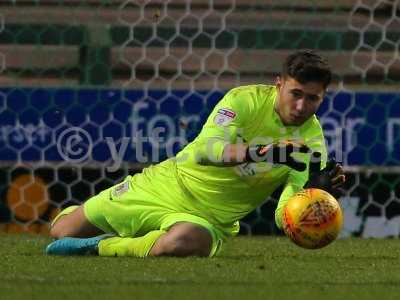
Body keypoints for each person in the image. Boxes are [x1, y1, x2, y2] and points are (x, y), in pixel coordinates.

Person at [46, 49, 346, 258]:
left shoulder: (311, 146)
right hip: (167, 186)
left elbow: (283, 217)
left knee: (185, 243)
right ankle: (92, 225)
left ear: (323, 97)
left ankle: (103, 247)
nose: (301, 107)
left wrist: (308, 200)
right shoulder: (243, 101)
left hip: (209, 220)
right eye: (296, 94)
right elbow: (207, 151)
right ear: (279, 84)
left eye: (312, 99)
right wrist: (263, 152)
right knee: (62, 232)